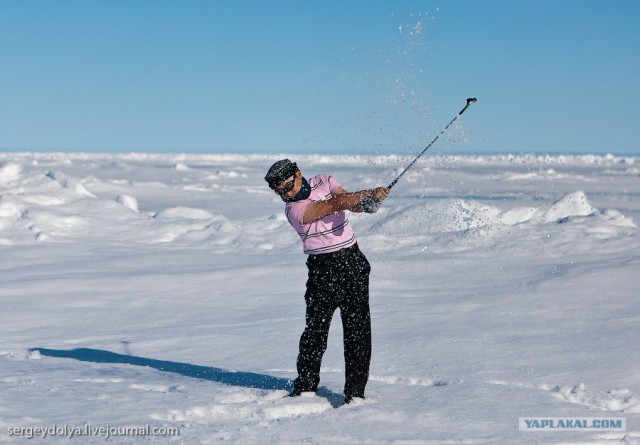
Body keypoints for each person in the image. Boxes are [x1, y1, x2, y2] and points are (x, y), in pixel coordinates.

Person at [265, 159, 389, 404]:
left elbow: (346, 200)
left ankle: (355, 394)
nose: (285, 194)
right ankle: (306, 387)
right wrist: (367, 193)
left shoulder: (325, 180)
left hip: (352, 263)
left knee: (358, 331)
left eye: (287, 186)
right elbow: (334, 204)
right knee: (315, 331)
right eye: (279, 192)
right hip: (322, 271)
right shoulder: (294, 210)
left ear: (298, 173)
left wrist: (367, 203)